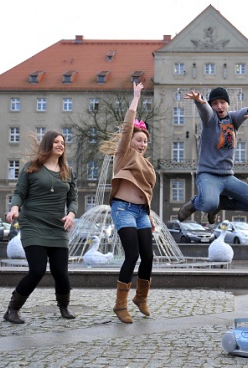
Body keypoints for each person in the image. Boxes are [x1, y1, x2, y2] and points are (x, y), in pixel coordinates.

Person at [3, 130, 78, 324]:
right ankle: (12, 309)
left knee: (60, 271)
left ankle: (63, 306)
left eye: (62, 142)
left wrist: (71, 214)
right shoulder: (32, 168)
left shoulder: (68, 171)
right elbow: (19, 192)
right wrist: (14, 209)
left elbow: (73, 199)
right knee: (37, 270)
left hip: (56, 226)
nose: (61, 145)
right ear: (47, 145)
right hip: (33, 223)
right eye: (56, 142)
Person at [100, 82, 156, 324]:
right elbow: (126, 127)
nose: (142, 144)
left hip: (141, 212)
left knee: (148, 256)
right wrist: (136, 97)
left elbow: (146, 193)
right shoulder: (124, 155)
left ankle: (140, 297)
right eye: (139, 140)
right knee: (131, 255)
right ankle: (120, 305)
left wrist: (150, 216)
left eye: (145, 141)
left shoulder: (148, 164)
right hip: (122, 209)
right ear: (131, 140)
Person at [177, 87, 248, 224]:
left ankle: (221, 205)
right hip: (208, 175)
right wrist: (200, 102)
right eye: (215, 103)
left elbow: (243, 111)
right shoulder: (211, 120)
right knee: (208, 204)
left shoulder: (233, 119)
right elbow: (205, 111)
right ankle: (195, 203)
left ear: (227, 104)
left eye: (222, 102)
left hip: (228, 177)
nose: (219, 106)